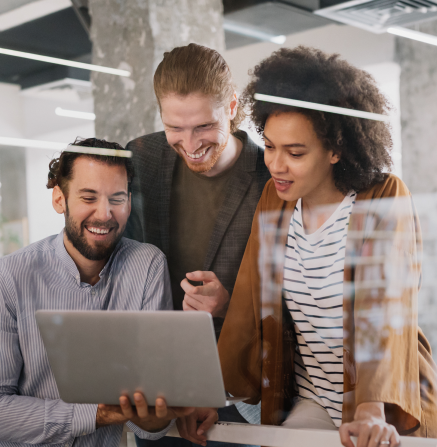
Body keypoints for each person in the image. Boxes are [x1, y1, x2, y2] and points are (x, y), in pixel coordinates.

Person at [201, 46, 437, 446]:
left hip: (381, 404)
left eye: (295, 153)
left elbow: (383, 311)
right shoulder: (274, 200)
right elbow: (248, 303)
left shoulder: (382, 197)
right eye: (271, 146)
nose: (277, 165)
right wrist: (210, 396)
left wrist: (370, 409)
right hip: (311, 398)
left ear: (335, 149)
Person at [0, 138, 200, 447]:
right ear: (59, 200)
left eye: (116, 198)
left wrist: (162, 411)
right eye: (88, 197)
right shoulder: (10, 277)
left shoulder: (148, 266)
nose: (105, 214)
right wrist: (97, 414)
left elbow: (151, 427)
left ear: (129, 203)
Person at [124, 43, 270, 446]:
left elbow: (294, 300)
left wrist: (231, 305)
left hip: (238, 392)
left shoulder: (271, 179)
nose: (190, 144)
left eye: (203, 126)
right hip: (159, 387)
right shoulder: (141, 158)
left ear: (232, 106)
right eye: (175, 127)